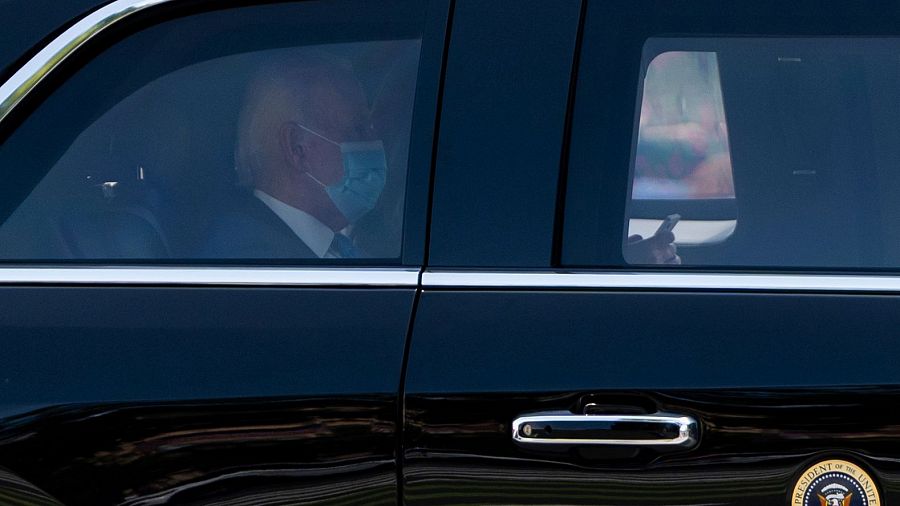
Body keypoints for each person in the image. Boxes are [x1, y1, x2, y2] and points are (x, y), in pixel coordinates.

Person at [204, 51, 386, 259]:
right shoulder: (255, 263)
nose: (375, 141)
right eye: (357, 130)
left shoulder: (324, 247)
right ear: (297, 148)